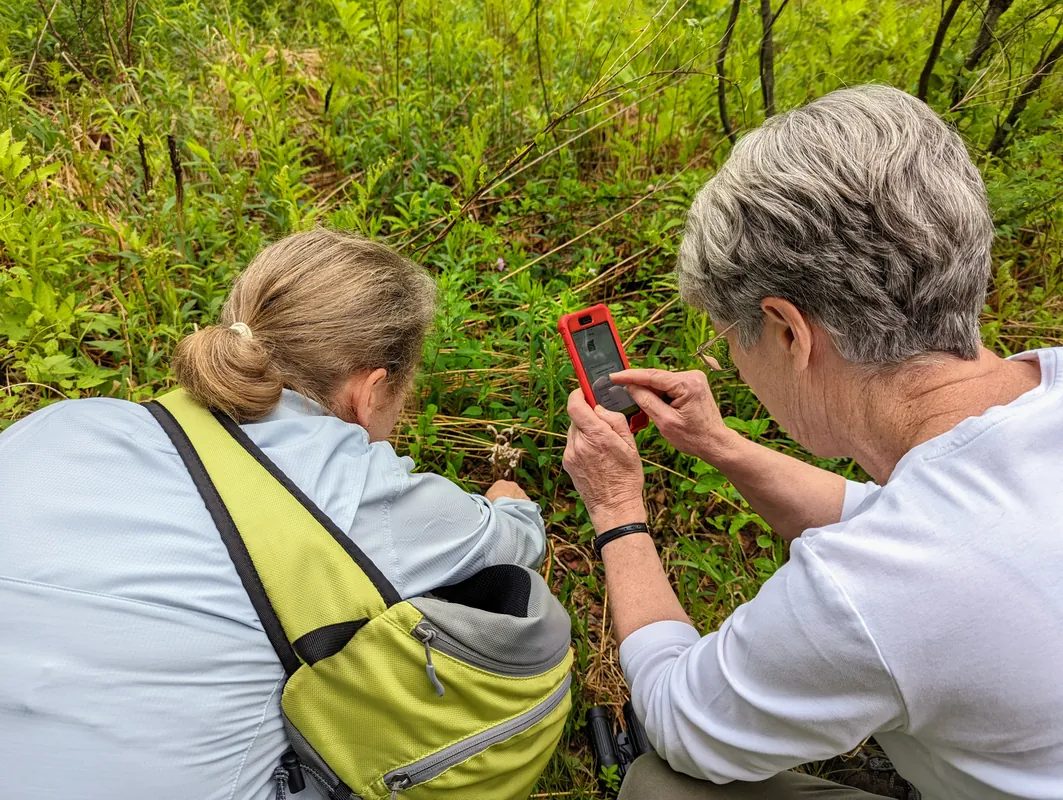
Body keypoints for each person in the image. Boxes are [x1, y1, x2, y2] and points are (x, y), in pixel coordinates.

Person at [562, 85, 1063, 799]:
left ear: (789, 331)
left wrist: (616, 510)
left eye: (733, 339)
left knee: (658, 785)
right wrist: (719, 444)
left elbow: (679, 720)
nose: (734, 362)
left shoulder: (869, 592)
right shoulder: (1041, 393)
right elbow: (933, 531)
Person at [0, 230, 547, 798]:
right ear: (372, 389)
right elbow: (517, 542)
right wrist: (508, 496)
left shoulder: (62, 424)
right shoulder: (360, 488)